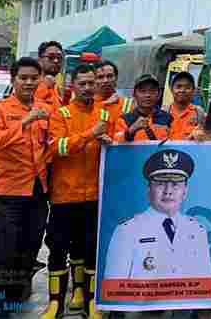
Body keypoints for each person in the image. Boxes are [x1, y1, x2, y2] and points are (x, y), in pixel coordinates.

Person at [44, 63, 119, 319]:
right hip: (64, 196)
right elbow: (57, 149)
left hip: (96, 196)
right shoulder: (60, 114)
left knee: (90, 250)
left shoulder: (106, 115)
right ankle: (55, 304)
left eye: (92, 83)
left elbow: (117, 145)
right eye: (83, 83)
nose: (88, 88)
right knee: (58, 249)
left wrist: (113, 142)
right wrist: (90, 134)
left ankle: (90, 303)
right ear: (73, 85)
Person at [0, 57, 50, 314]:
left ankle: (15, 303)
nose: (29, 82)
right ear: (13, 80)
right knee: (2, 255)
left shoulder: (45, 110)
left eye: (34, 78)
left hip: (36, 193)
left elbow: (50, 146)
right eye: (24, 78)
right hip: (6, 195)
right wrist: (24, 121)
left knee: (28, 250)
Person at [103, 149, 211, 279]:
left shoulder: (197, 230)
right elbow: (114, 290)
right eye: (160, 184)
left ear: (185, 191)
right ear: (149, 190)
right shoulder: (126, 231)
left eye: (176, 185)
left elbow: (205, 285)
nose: (168, 191)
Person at [116, 74, 176, 142]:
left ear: (159, 94)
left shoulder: (168, 118)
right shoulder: (124, 120)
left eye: (152, 91)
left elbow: (178, 144)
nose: (147, 95)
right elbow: (116, 142)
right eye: (142, 91)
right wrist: (131, 130)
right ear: (134, 94)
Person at [167, 71, 206, 139]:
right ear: (171, 89)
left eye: (187, 87)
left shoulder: (199, 113)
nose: (182, 90)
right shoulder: (164, 112)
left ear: (193, 91)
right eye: (178, 87)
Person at [35, 41, 67, 107]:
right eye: (50, 57)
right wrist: (44, 86)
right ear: (40, 60)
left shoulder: (57, 86)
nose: (56, 61)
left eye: (59, 58)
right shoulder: (31, 84)